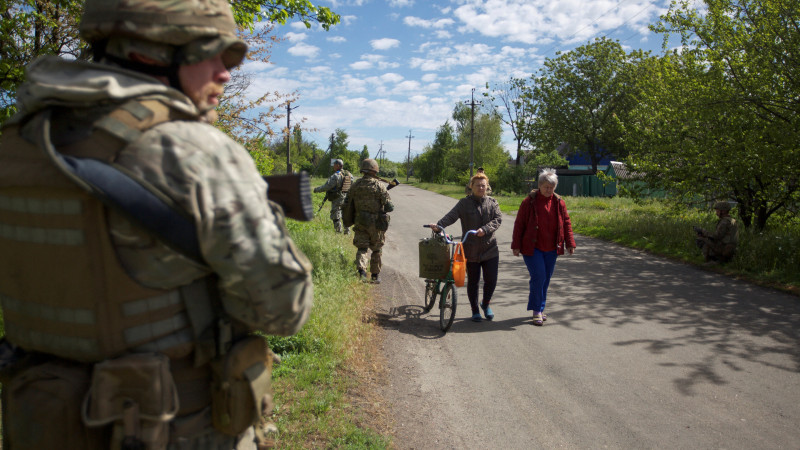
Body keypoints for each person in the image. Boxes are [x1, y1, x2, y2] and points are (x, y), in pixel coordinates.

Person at [0, 1, 313, 448]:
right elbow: (284, 311)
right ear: (148, 54)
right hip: (175, 428)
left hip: (41, 424)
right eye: (213, 53)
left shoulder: (17, 144)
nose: (225, 73)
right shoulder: (195, 152)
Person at [430, 172, 502, 322]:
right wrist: (439, 226)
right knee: (474, 281)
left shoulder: (492, 202)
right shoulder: (464, 203)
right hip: (470, 249)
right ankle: (475, 309)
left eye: (484, 185)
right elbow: (451, 216)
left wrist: (486, 229)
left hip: (490, 249)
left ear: (487, 186)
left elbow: (498, 219)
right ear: (471, 186)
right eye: (478, 185)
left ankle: (486, 303)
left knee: (491, 280)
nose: (481, 188)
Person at [511, 168, 576, 326]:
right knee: (539, 276)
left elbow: (566, 223)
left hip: (552, 248)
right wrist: (516, 245)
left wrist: (570, 243)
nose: (549, 190)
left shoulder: (559, 202)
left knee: (545, 279)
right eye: (546, 186)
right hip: (532, 248)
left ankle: (540, 307)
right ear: (540, 185)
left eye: (552, 187)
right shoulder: (529, 201)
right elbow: (519, 224)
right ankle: (536, 311)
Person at [343, 158, 394, 283]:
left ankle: (362, 273)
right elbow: (390, 207)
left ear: (362, 170)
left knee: (362, 248)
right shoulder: (379, 186)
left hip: (360, 221)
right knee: (376, 249)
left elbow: (347, 203)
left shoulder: (355, 186)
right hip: (376, 224)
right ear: (375, 171)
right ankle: (375, 276)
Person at [313, 158, 352, 234]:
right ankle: (347, 232)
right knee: (345, 215)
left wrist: (316, 190)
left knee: (335, 215)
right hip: (346, 197)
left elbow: (326, 187)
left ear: (338, 165)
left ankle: (338, 231)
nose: (333, 166)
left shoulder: (336, 176)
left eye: (334, 165)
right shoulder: (349, 174)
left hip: (337, 198)